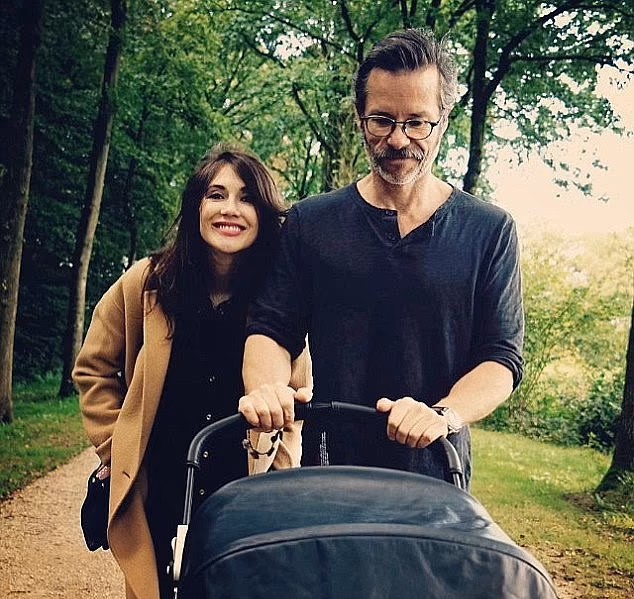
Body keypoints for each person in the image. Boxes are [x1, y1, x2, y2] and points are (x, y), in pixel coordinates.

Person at [239, 28, 523, 487]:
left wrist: (442, 415)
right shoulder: (310, 223)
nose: (398, 139)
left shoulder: (490, 231)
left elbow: (500, 358)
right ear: (359, 119)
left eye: (417, 121)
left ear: (443, 121)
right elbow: (271, 328)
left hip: (438, 478)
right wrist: (268, 389)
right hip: (330, 476)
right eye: (382, 120)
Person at [73, 145, 312, 599]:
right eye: (215, 194)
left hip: (240, 489)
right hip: (158, 483)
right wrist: (115, 446)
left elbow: (296, 404)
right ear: (195, 206)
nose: (230, 210)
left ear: (263, 214)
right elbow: (94, 369)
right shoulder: (146, 283)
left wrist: (281, 487)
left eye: (246, 199)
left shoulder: (279, 304)